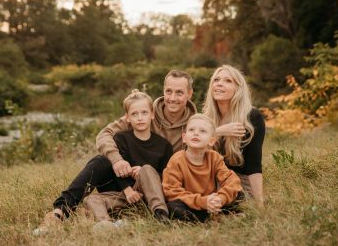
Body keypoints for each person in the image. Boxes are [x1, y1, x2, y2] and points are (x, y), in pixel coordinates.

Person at [34, 70, 196, 233]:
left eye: (179, 93)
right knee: (100, 161)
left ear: (189, 94)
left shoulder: (194, 125)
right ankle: (59, 212)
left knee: (151, 176)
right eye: (169, 91)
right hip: (123, 180)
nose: (172, 98)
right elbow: (104, 134)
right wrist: (117, 160)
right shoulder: (143, 109)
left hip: (158, 185)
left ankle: (153, 214)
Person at [83, 89, 172, 226]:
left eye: (144, 113)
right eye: (134, 114)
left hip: (152, 195)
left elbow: (167, 175)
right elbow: (116, 169)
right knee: (91, 199)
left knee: (147, 169)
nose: (140, 118)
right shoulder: (121, 138)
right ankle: (106, 224)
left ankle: (160, 214)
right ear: (128, 118)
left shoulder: (164, 145)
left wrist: (144, 174)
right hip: (125, 195)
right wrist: (128, 191)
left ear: (152, 114)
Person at [203, 65, 265, 205]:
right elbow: (194, 154)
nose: (219, 83)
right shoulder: (206, 120)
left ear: (238, 89)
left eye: (227, 81)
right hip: (208, 180)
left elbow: (254, 165)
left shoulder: (251, 117)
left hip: (237, 182)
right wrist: (218, 131)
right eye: (216, 80)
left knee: (228, 202)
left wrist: (259, 203)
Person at [162, 114, 242, 222]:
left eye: (202, 131)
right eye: (191, 130)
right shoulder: (176, 160)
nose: (196, 133)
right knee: (173, 207)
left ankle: (214, 212)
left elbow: (231, 180)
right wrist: (203, 202)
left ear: (211, 141)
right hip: (192, 205)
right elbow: (171, 191)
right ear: (184, 138)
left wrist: (220, 199)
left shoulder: (214, 158)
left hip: (212, 201)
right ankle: (211, 218)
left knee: (239, 194)